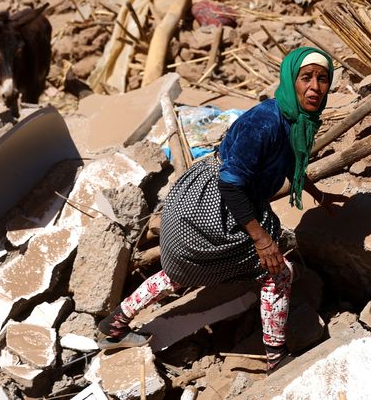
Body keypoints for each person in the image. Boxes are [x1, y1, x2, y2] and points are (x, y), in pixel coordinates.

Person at [97, 47, 348, 372]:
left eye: (323, 79)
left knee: (176, 275)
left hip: (207, 205)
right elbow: (231, 184)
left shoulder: (293, 117)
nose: (315, 87)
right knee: (278, 274)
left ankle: (113, 325)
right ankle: (277, 358)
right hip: (211, 208)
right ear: (290, 79)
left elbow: (285, 161)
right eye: (306, 78)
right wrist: (261, 240)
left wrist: (317, 193)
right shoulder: (264, 123)